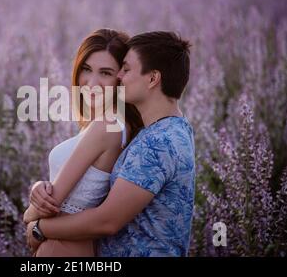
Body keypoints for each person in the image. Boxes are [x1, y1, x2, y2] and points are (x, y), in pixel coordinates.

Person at [26, 31, 196, 257]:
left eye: (124, 70)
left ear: (153, 78)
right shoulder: (167, 130)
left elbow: (107, 221)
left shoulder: (157, 141)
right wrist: (40, 187)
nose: (120, 78)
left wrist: (37, 226)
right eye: (86, 69)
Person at [22, 28, 143, 256]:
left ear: (121, 79)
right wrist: (38, 187)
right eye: (86, 69)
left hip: (63, 247)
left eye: (105, 73)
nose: (91, 82)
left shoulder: (106, 125)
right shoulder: (115, 124)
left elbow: (49, 205)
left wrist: (29, 216)